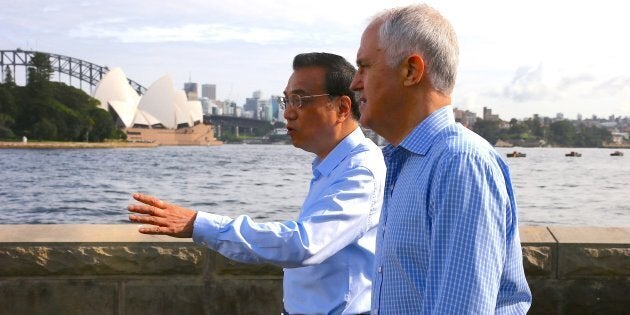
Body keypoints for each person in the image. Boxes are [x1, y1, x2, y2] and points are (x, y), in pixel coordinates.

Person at [128, 52, 386, 315]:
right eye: (286, 100)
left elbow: (304, 244)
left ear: (342, 108)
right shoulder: (333, 166)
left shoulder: (359, 170)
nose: (287, 113)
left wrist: (198, 224)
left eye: (299, 100)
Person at [349, 4, 532, 314]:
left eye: (364, 66)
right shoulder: (406, 162)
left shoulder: (458, 164)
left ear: (411, 71)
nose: (355, 82)